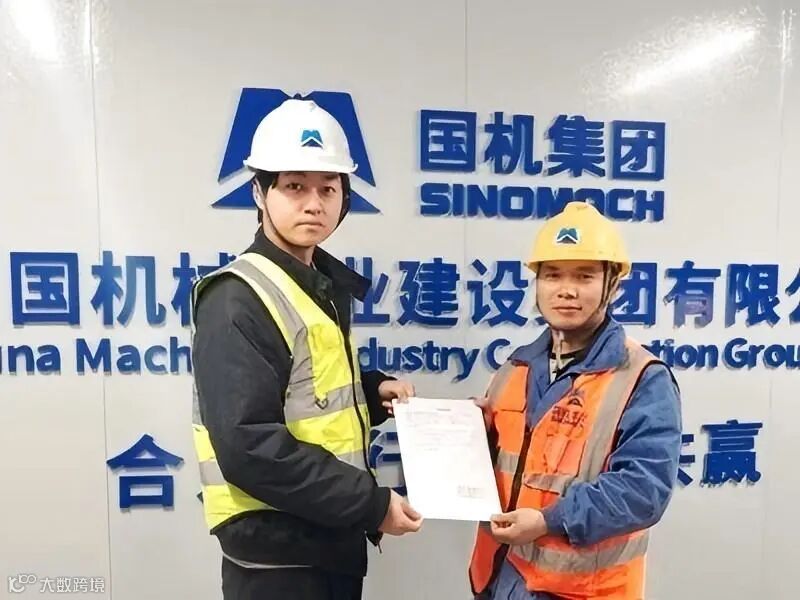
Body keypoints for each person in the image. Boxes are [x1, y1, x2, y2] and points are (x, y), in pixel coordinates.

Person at [190, 98, 423, 600]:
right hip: (278, 559)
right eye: (295, 186)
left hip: (322, 542)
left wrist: (372, 392)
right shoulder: (237, 297)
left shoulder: (314, 284)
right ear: (260, 191)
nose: (314, 204)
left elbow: (307, 392)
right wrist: (371, 504)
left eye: (328, 188)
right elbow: (248, 445)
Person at [468, 202, 682, 599]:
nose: (566, 290)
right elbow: (507, 465)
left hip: (581, 590)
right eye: (553, 275)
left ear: (611, 284)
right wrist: (469, 434)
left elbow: (643, 491)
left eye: (584, 276)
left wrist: (549, 520)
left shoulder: (642, 378)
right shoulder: (516, 368)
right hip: (503, 578)